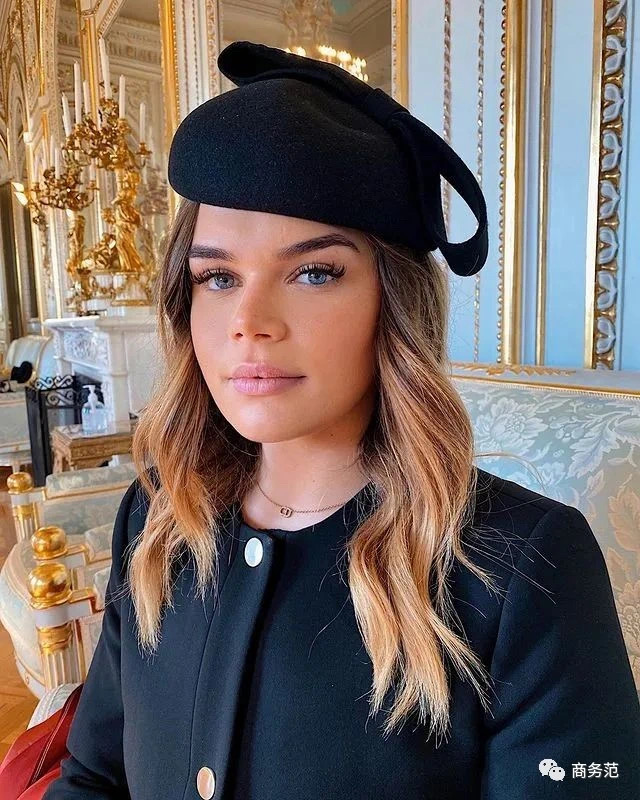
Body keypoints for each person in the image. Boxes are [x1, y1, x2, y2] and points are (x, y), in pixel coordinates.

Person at [43, 41, 640, 800]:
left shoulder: (523, 566)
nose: (249, 321)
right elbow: (93, 775)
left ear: (392, 302)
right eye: (218, 277)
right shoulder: (159, 515)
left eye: (314, 272)